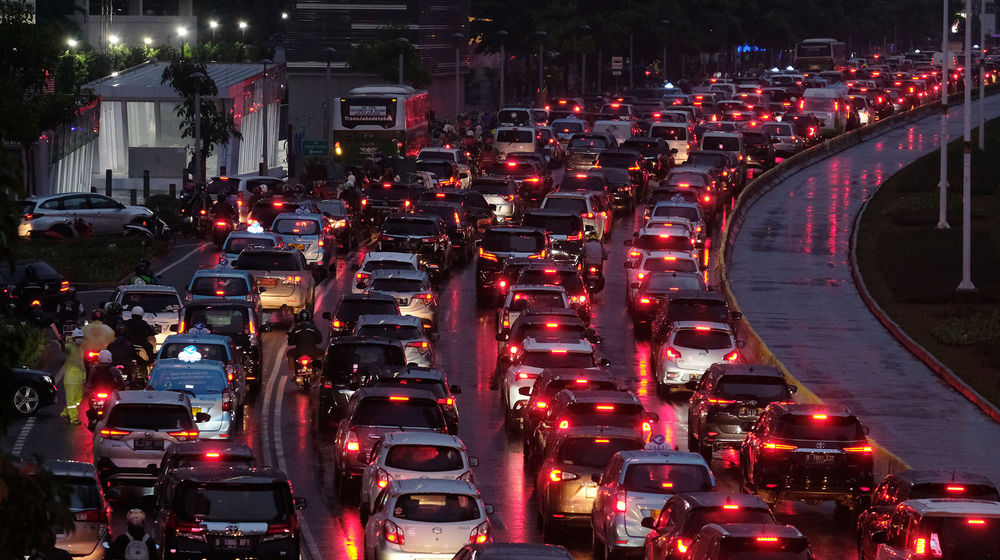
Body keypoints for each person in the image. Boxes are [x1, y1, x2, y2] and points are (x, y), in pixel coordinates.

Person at [60, 329, 85, 425]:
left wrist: (84, 377)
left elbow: (81, 364)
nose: (80, 339)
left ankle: (65, 412)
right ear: (74, 339)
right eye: (78, 338)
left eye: (81, 338)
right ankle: (73, 419)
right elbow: (64, 348)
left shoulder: (80, 348)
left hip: (79, 379)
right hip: (70, 379)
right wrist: (62, 343)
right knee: (71, 400)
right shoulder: (70, 346)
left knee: (78, 400)